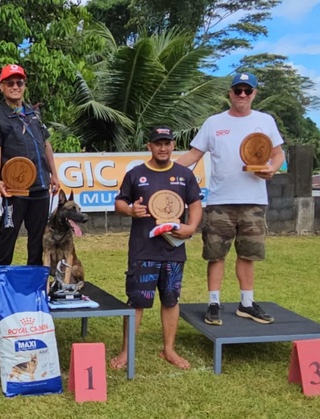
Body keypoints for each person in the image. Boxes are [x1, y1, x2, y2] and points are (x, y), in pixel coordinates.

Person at [175, 72, 285, 326]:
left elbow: (278, 154)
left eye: (248, 90)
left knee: (248, 254)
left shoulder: (265, 121)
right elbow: (193, 154)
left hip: (254, 200)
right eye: (238, 90)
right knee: (216, 254)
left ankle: (246, 303)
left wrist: (273, 168)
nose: (243, 95)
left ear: (255, 94)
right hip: (220, 202)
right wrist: (166, 174)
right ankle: (214, 303)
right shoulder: (214, 123)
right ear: (230, 93)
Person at [109, 126, 202, 371]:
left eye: (167, 143)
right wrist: (129, 210)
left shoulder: (184, 174)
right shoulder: (136, 174)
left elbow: (195, 203)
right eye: (158, 143)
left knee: (171, 300)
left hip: (174, 250)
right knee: (137, 301)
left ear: (173, 146)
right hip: (143, 250)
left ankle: (169, 349)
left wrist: (190, 227)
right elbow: (120, 201)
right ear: (149, 146)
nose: (163, 148)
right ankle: (126, 352)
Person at [0, 63, 60, 288]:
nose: (15, 86)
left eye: (19, 82)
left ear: (24, 85)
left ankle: (35, 285)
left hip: (40, 187)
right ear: (1, 86)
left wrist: (54, 174)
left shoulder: (33, 113)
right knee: (9, 234)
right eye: (10, 82)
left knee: (37, 238)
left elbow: (46, 144)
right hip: (14, 188)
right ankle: (1, 284)